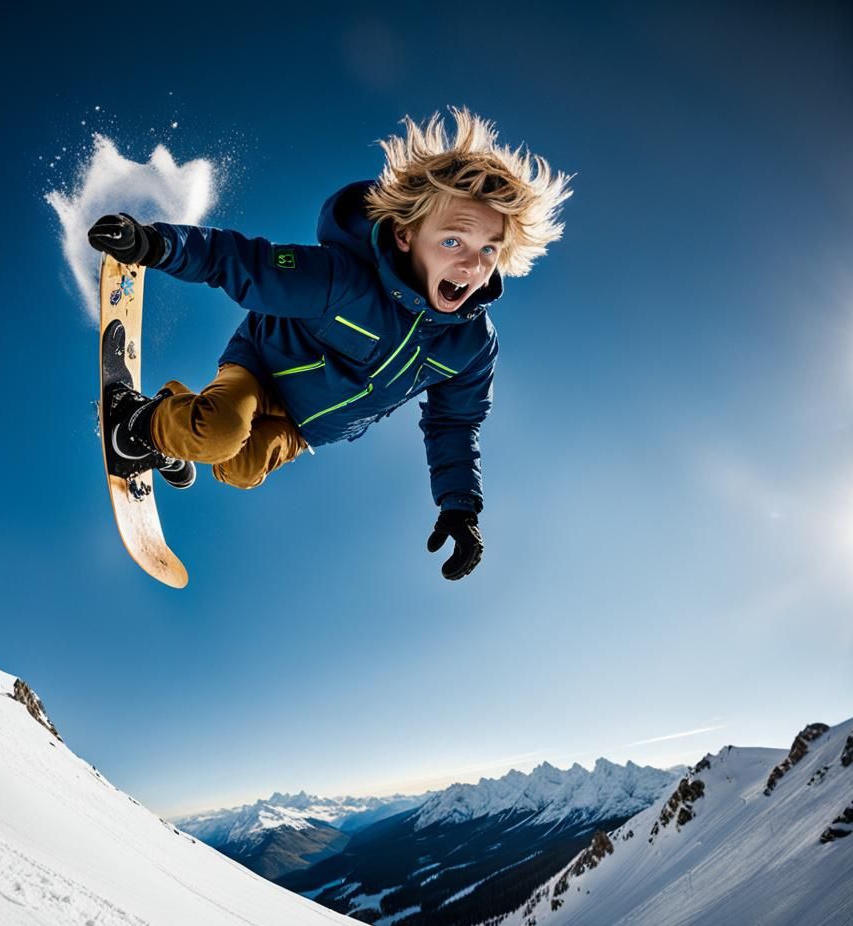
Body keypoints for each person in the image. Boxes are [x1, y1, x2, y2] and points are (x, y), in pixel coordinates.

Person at [89, 107, 570, 580]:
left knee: (238, 470)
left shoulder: (469, 344)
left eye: (488, 250)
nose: (471, 266)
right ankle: (136, 422)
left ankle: (174, 421)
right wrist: (157, 245)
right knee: (218, 432)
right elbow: (244, 263)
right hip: (263, 369)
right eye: (453, 242)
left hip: (308, 427)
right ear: (405, 235)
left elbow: (456, 422)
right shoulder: (343, 280)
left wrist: (460, 508)